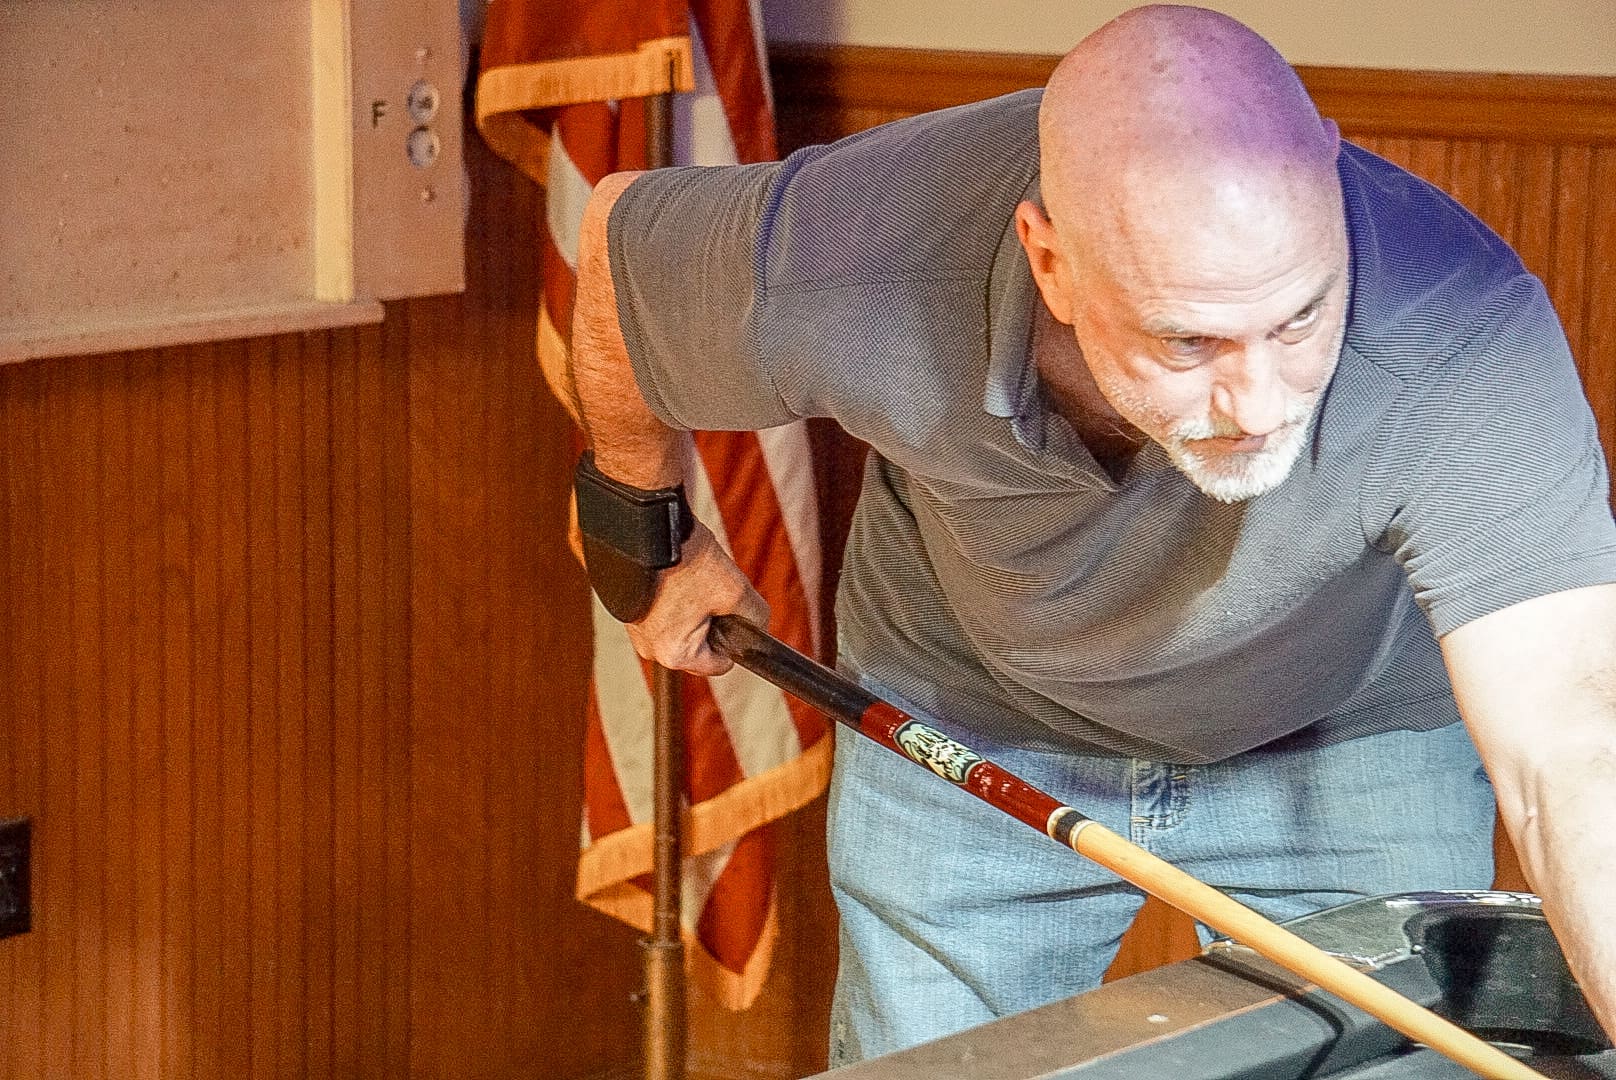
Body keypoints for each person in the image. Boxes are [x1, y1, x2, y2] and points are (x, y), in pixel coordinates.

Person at [564, 4, 1616, 1066]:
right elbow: (620, 251)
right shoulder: (862, 249)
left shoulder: (1458, 329)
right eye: (1187, 339)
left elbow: (1570, 749)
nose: (1256, 403)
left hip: (1343, 738)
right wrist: (639, 531)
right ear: (1050, 262)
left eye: (1298, 319)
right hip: (965, 715)